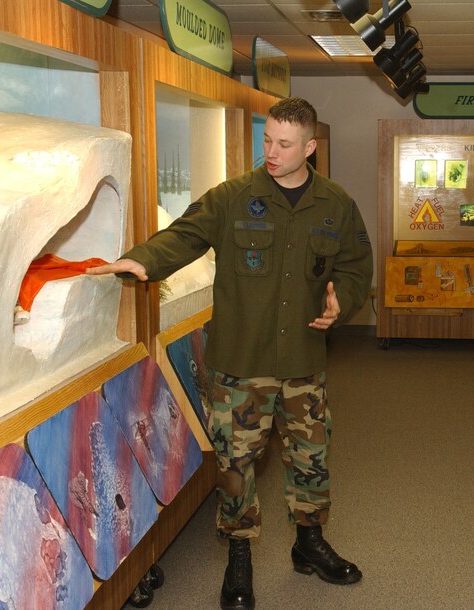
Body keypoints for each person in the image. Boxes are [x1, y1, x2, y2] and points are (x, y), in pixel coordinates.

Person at [88, 97, 373, 610]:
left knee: (311, 458)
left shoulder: (336, 204)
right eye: (268, 140)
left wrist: (342, 302)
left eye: (285, 144)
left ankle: (309, 543)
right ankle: (238, 555)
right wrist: (142, 260)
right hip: (240, 364)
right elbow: (186, 234)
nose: (272, 151)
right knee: (237, 465)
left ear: (310, 147)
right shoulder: (234, 197)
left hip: (303, 362)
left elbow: (356, 265)